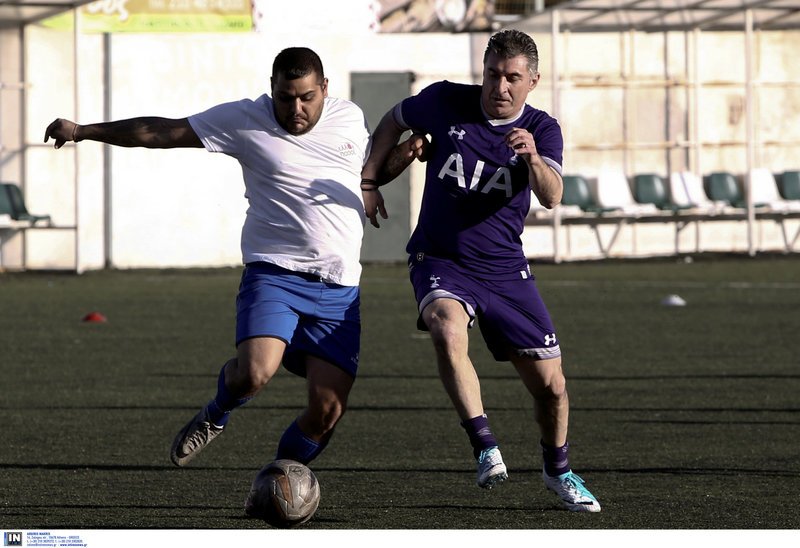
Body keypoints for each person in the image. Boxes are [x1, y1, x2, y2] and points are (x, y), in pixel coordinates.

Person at [44, 47, 412, 510]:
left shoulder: (349, 118)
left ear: (324, 90)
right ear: (271, 89)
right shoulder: (243, 119)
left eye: (306, 98)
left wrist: (403, 157)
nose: (295, 109)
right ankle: (215, 415)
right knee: (254, 375)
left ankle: (277, 487)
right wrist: (83, 131)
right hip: (274, 274)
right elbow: (162, 131)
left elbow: (365, 176)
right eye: (284, 98)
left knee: (326, 412)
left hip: (338, 288)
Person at [360, 29, 601, 512]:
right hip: (441, 258)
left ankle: (559, 472)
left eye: (513, 77)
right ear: (483, 72)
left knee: (552, 389)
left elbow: (552, 196)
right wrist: (370, 178)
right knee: (446, 328)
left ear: (532, 80)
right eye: (493, 74)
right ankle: (485, 445)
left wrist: (532, 157)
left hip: (507, 271)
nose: (501, 86)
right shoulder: (446, 101)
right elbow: (392, 118)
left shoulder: (543, 128)